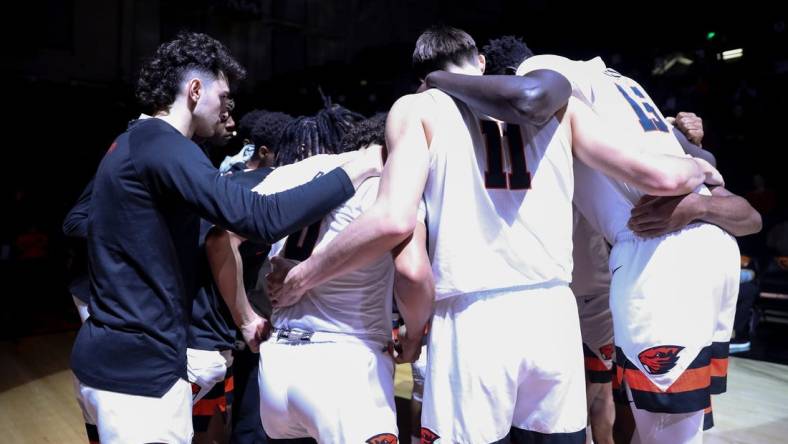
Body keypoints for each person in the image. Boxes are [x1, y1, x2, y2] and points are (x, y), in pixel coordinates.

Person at [269, 26, 722, 443]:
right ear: (481, 63)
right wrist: (698, 164)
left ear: (420, 78)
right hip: (552, 312)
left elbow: (392, 220)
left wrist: (305, 276)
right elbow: (660, 178)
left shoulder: (417, 108)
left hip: (471, 315)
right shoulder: (561, 109)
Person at [70, 31, 380, 444]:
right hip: (139, 379)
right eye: (223, 95)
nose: (226, 109)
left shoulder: (129, 142)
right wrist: (354, 169)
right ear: (195, 90)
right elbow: (260, 218)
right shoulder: (163, 144)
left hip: (102, 361)